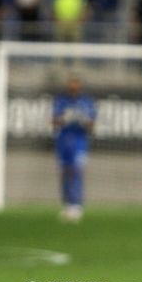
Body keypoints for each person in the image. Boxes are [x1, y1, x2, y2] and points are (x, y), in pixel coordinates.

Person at [52, 76, 95, 222]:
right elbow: (54, 122)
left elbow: (91, 126)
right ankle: (68, 204)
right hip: (63, 141)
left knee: (76, 171)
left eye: (76, 85)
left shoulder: (86, 102)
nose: (73, 87)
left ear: (80, 86)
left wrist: (83, 120)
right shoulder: (61, 101)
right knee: (64, 173)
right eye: (71, 85)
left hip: (79, 142)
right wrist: (64, 118)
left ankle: (77, 205)